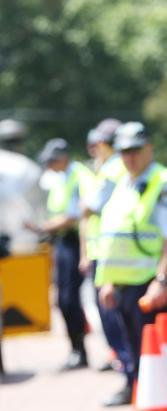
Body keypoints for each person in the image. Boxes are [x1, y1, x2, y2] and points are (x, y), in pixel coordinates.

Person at [95, 121, 167, 399]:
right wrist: (109, 280)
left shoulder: (163, 181)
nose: (129, 157)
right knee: (136, 354)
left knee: (154, 357)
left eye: (135, 150)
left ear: (149, 148)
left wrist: (161, 281)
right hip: (126, 285)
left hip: (151, 284)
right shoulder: (123, 182)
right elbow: (115, 236)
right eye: (124, 151)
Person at [25, 138, 95, 370]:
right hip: (63, 242)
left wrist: (44, 227)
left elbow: (76, 215)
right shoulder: (62, 177)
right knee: (63, 300)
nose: (49, 165)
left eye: (52, 160)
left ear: (62, 157)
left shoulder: (79, 176)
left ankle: (80, 351)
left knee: (69, 300)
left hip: (75, 241)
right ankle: (75, 349)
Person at [81, 119, 135, 406]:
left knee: (116, 322)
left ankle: (129, 378)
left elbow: (91, 206)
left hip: (112, 258)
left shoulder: (113, 168)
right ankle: (128, 376)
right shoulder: (113, 168)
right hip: (110, 255)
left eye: (98, 144)